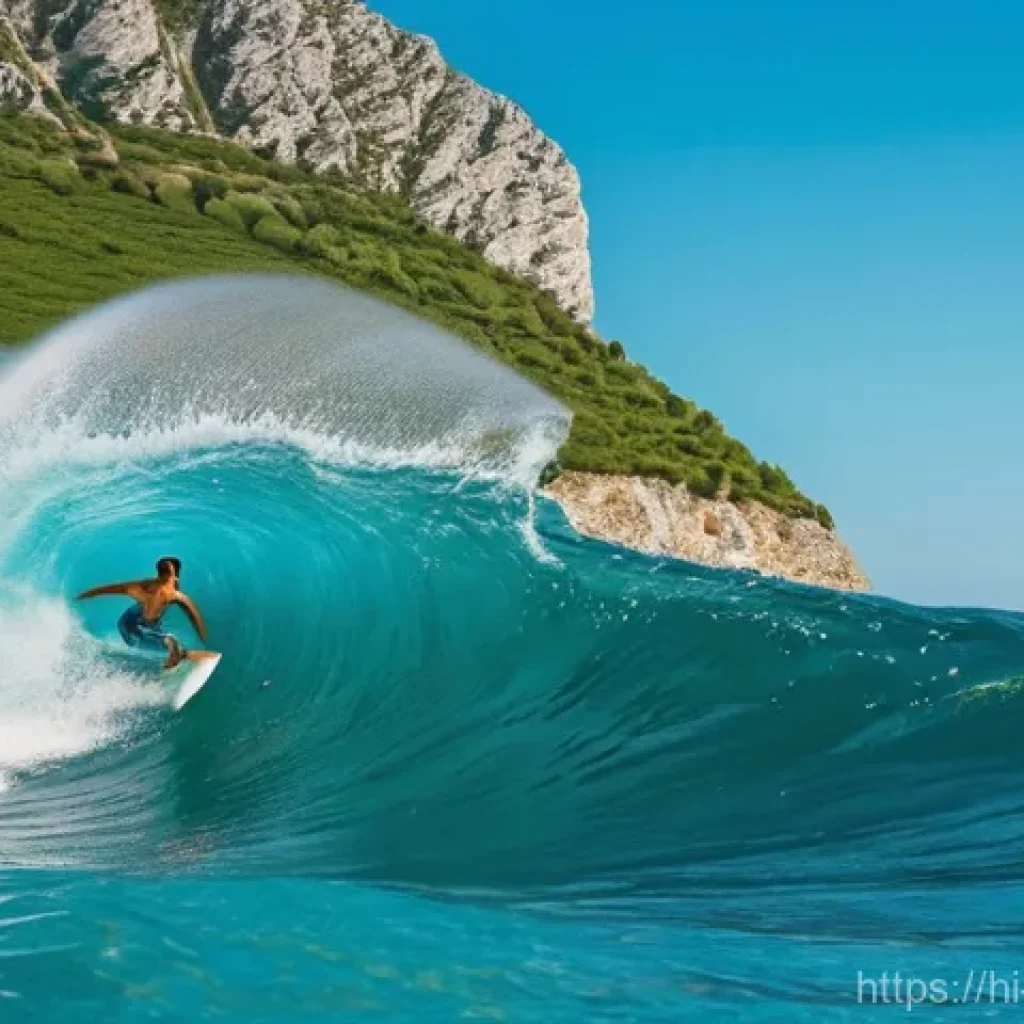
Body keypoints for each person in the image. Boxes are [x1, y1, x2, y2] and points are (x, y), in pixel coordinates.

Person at [77, 556, 210, 669]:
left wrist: (88, 594)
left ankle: (171, 646)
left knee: (146, 634)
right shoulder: (176, 595)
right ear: (175, 576)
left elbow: (109, 589)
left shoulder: (141, 586)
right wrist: (205, 639)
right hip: (133, 624)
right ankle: (171, 644)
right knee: (141, 638)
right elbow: (195, 617)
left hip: (131, 619)